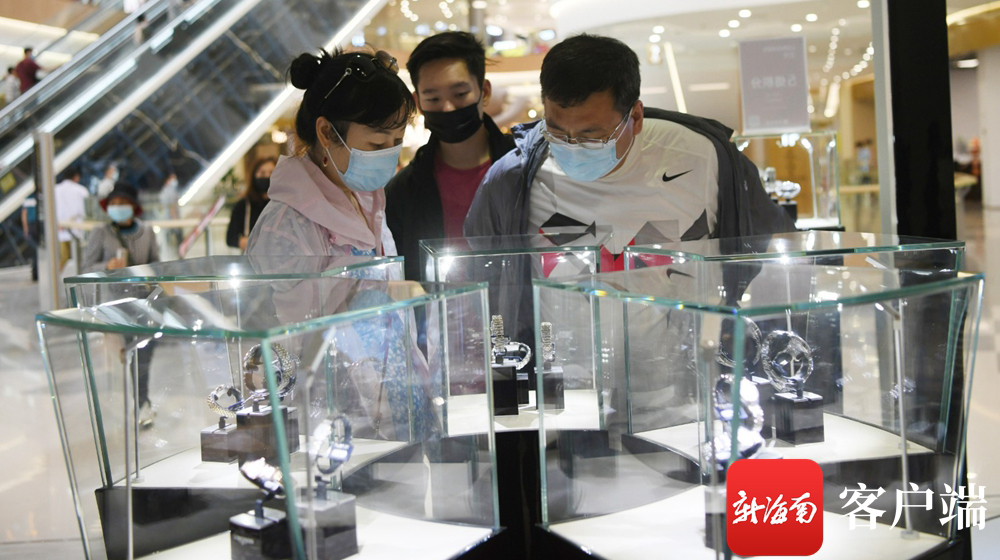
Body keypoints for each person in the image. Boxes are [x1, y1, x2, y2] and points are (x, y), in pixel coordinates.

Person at [465, 34, 795, 268]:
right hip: (562, 348)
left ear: (635, 117)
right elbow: (484, 272)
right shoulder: (513, 178)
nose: (572, 146)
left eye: (592, 135)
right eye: (557, 131)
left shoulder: (706, 159)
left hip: (691, 344)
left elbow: (772, 251)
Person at [247, 48, 414, 257]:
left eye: (398, 141)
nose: (389, 155)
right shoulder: (286, 228)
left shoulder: (365, 200)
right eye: (377, 144)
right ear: (326, 132)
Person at [385, 31, 515, 280]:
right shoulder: (403, 192)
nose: (447, 107)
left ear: (484, 91)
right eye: (433, 98)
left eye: (460, 94)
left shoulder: (523, 169)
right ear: (418, 103)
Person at [81, 182, 161, 426]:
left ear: (133, 206)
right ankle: (131, 403)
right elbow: (86, 267)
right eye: (113, 204)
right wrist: (106, 266)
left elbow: (157, 264)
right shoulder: (101, 233)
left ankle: (142, 402)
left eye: (122, 203)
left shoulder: (147, 232)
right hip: (114, 304)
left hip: (143, 303)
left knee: (143, 354)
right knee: (124, 356)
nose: (117, 207)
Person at [227, 156, 276, 252]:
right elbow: (231, 238)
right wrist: (247, 242)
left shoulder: (284, 205)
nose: (267, 176)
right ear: (254, 175)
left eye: (271, 173)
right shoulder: (243, 205)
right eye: (262, 173)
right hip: (252, 257)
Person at [53, 166, 90, 271]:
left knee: (63, 257)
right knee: (81, 258)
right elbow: (87, 210)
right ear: (76, 177)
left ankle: (56, 277)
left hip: (61, 228)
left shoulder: (55, 190)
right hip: (79, 230)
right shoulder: (82, 190)